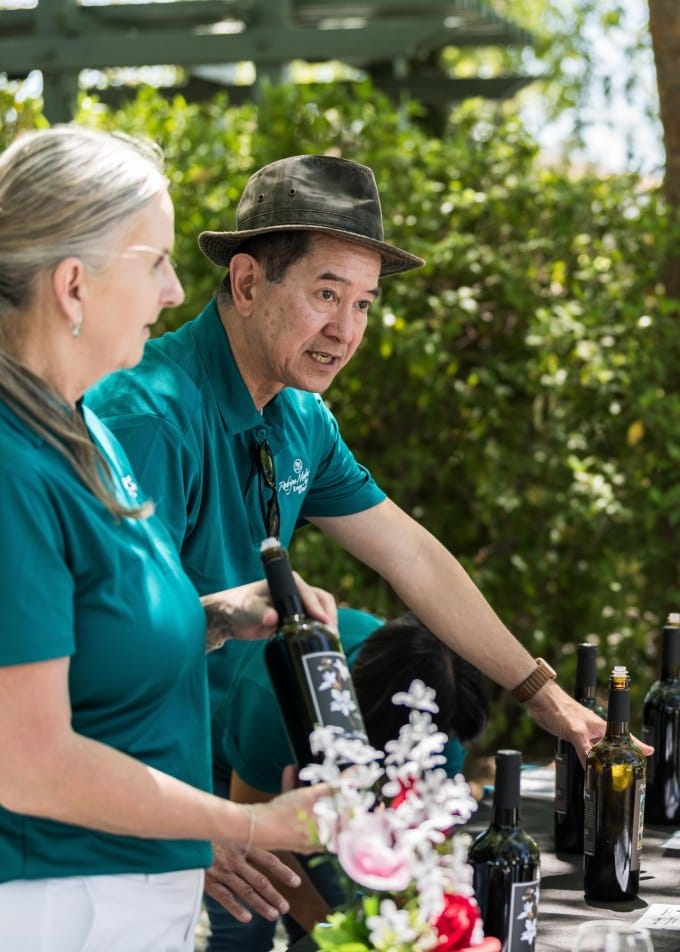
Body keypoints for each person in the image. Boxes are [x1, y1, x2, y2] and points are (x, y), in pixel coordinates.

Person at [86, 153, 637, 946]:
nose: (345, 331)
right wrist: (177, 825)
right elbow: (104, 656)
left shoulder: (299, 414)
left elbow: (413, 556)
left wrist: (544, 698)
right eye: (325, 294)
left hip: (248, 769)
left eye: (365, 304)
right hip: (136, 801)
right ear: (246, 284)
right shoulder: (149, 412)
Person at [0, 127, 334, 952]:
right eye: (154, 261)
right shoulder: (12, 468)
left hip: (125, 901)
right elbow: (29, 759)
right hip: (52, 908)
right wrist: (251, 823)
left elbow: (88, 630)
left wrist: (219, 614)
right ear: (74, 285)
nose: (177, 290)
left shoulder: (83, 430)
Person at [215, 606, 489, 950]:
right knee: (250, 916)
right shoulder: (274, 694)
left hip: (325, 778)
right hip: (230, 771)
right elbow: (252, 832)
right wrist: (335, 933)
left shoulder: (438, 709)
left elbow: (424, 835)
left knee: (354, 903)